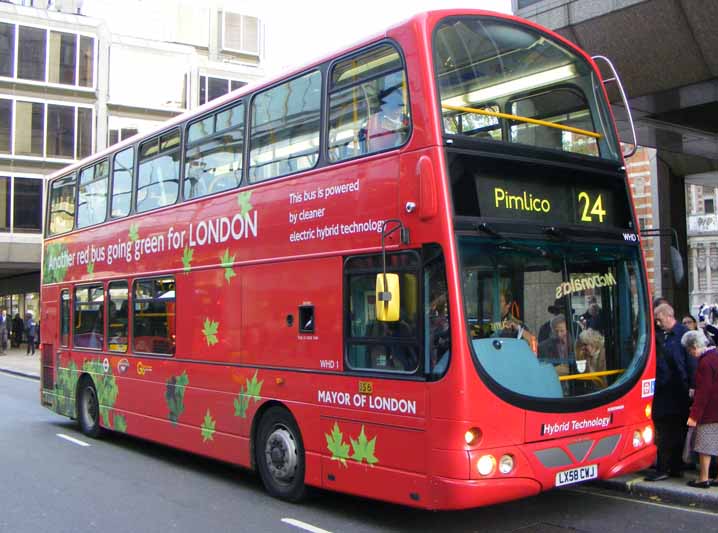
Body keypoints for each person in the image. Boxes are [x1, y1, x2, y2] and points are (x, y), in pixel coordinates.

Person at [646, 303, 693, 481]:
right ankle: (668, 467)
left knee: (674, 431)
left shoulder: (683, 335)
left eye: (659, 319)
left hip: (678, 391)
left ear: (668, 316)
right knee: (664, 429)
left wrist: (691, 387)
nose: (658, 323)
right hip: (662, 391)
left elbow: (690, 363)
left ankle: (669, 467)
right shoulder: (661, 336)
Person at [682, 330, 718, 488]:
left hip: (710, 412)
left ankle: (703, 478)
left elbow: (704, 392)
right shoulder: (716, 355)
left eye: (690, 350)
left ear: (696, 346)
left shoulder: (705, 362)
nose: (690, 353)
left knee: (704, 446)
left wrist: (694, 415)